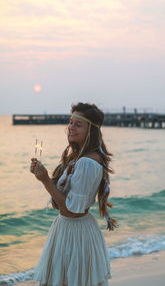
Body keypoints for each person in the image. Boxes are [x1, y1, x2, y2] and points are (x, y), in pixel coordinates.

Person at [30, 102, 117, 286]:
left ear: (91, 130)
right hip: (74, 230)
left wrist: (45, 180)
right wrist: (44, 175)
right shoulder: (81, 157)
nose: (70, 127)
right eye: (70, 122)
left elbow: (71, 211)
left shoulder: (86, 163)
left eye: (78, 124)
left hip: (74, 234)